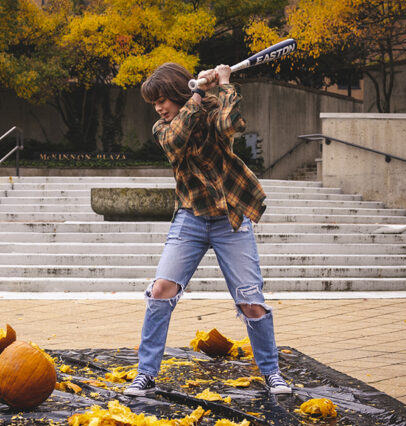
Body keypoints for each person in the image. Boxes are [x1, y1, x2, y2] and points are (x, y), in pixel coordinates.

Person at [123, 62, 292, 396]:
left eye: (162, 100)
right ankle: (145, 373)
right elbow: (176, 141)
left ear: (175, 92)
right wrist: (198, 92)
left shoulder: (213, 110)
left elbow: (232, 124)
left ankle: (272, 373)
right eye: (154, 103)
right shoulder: (164, 128)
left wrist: (225, 83)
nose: (158, 107)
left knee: (251, 302)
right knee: (160, 290)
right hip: (191, 217)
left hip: (230, 218)